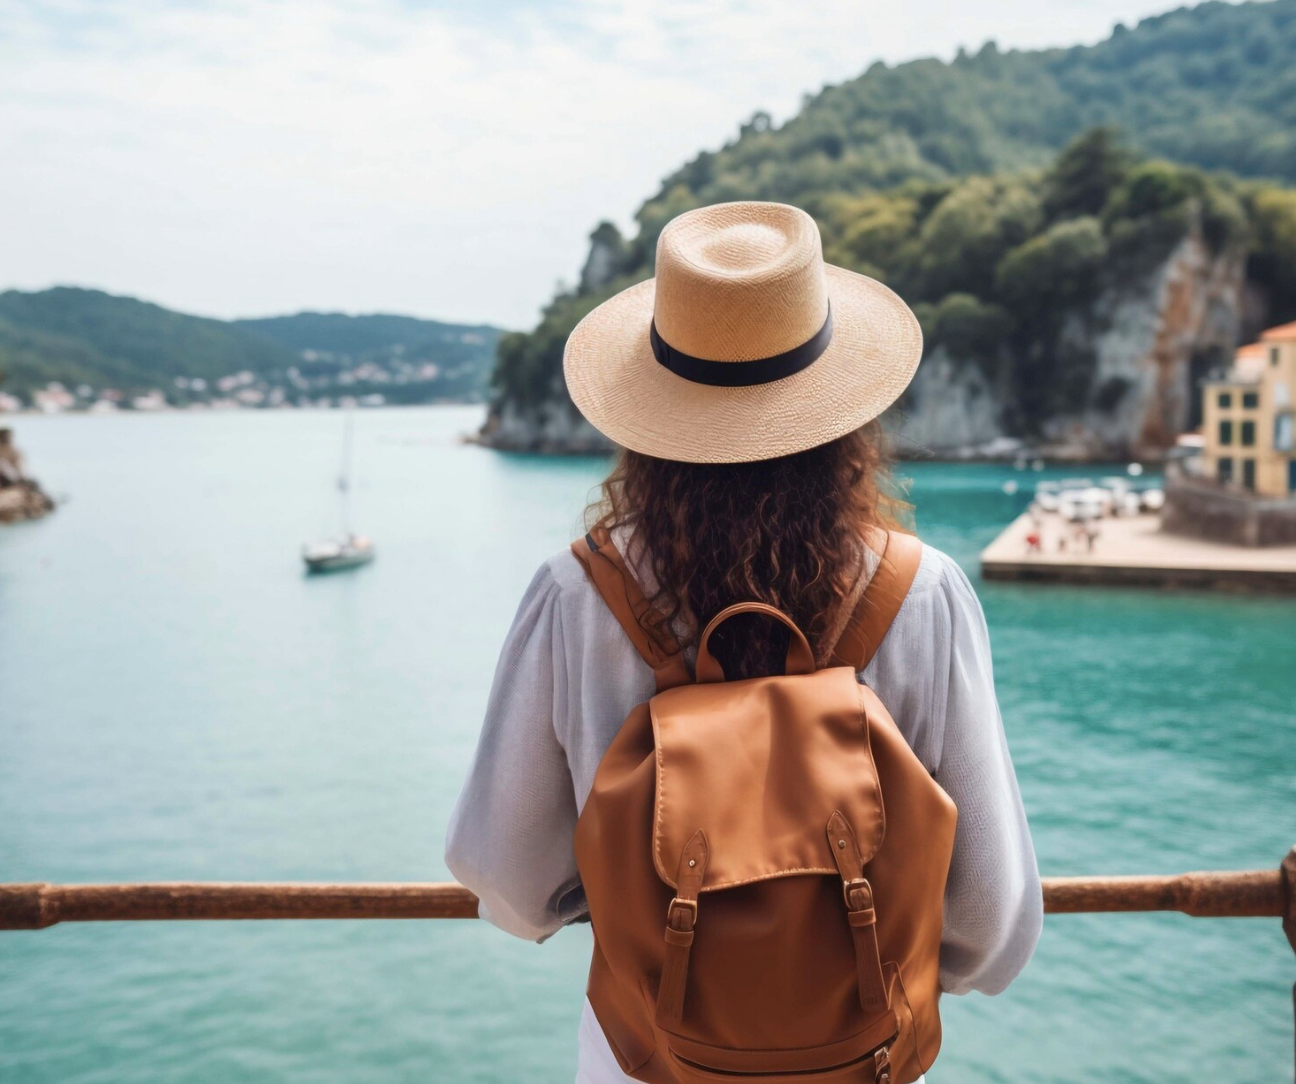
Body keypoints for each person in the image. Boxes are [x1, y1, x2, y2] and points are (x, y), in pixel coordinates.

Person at [446, 202, 1041, 1083]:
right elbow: (991, 925)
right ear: (844, 411)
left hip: (647, 1061)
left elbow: (508, 884)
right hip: (862, 1059)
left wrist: (634, 892)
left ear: (648, 418)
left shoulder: (575, 597)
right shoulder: (924, 594)